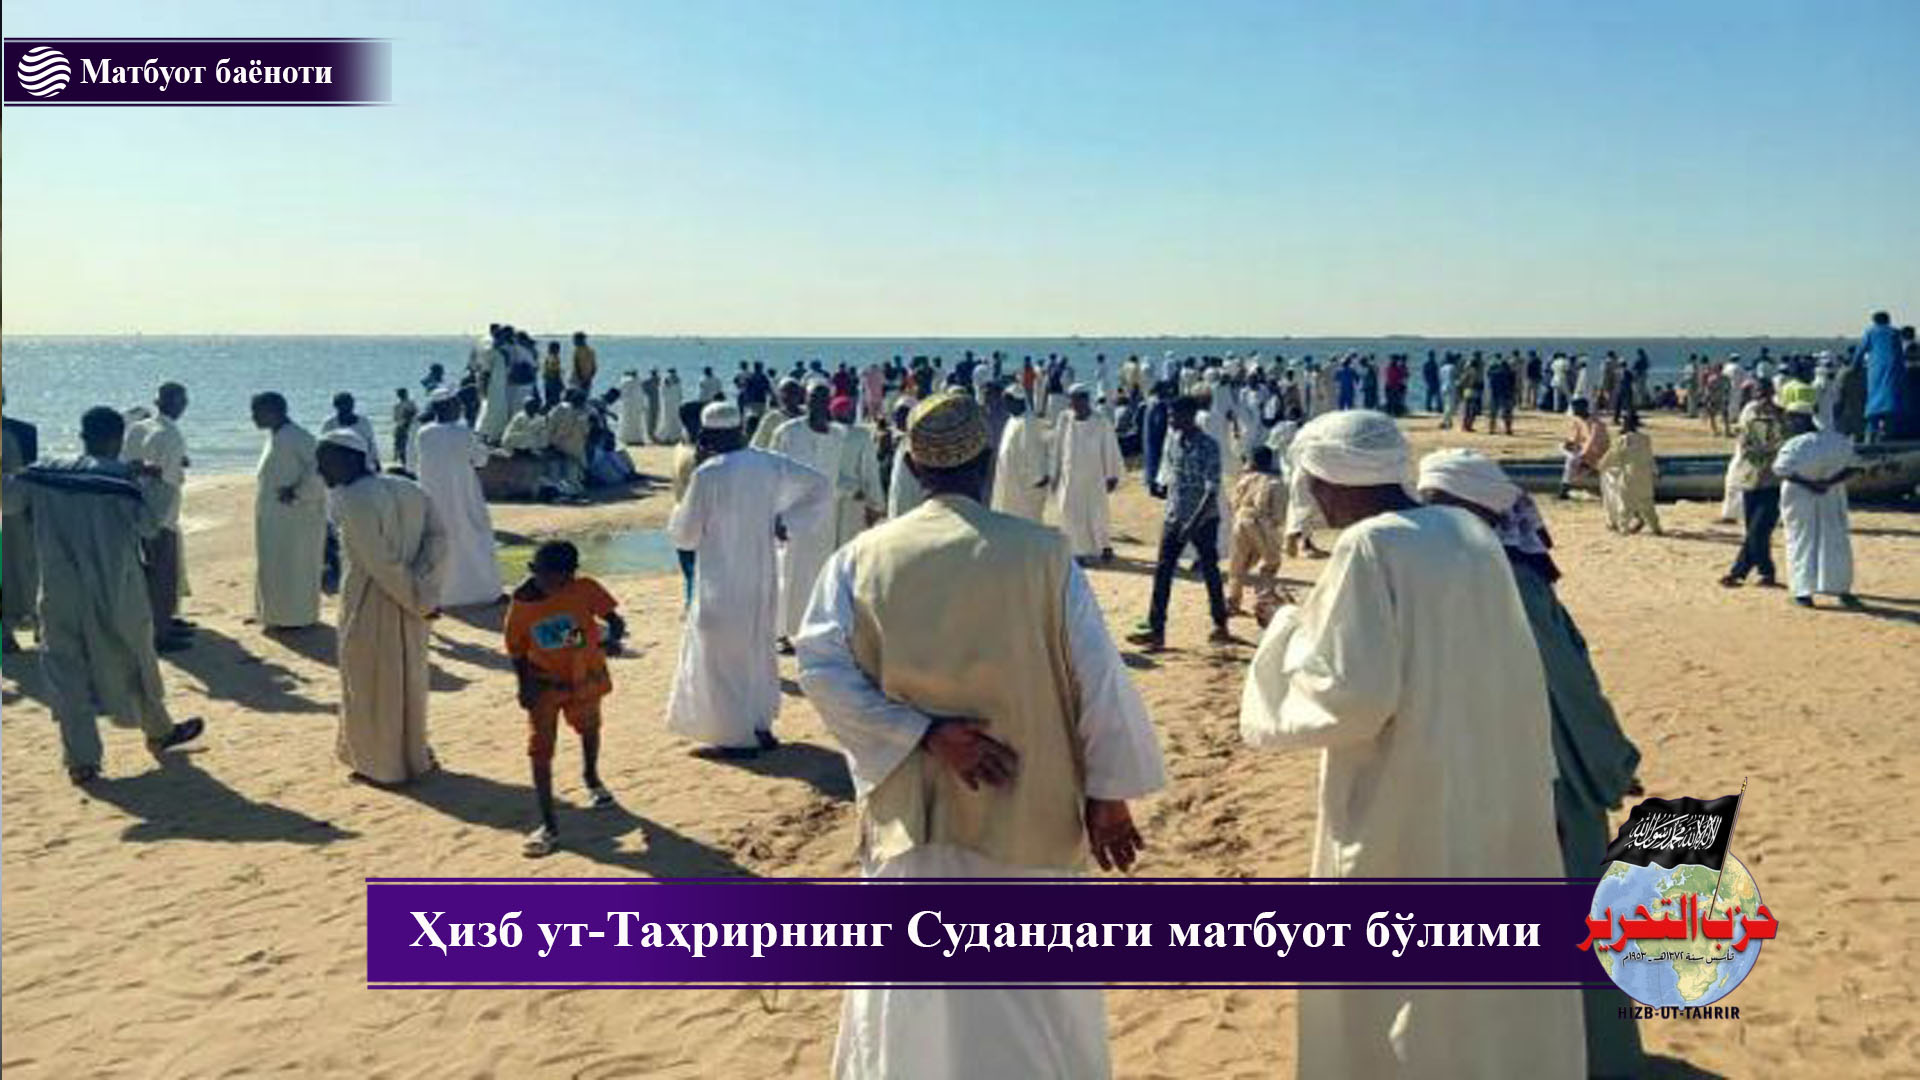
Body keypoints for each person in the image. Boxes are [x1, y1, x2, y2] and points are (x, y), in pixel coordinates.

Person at [795, 391, 1165, 1080]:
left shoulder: (860, 559)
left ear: (911, 466)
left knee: (920, 1013)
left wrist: (923, 735)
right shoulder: (1045, 555)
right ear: (989, 459)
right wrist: (1109, 795)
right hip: (1031, 821)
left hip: (916, 825)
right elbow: (1098, 684)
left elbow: (820, 672)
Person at [1238, 411, 1583, 1079]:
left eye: (1313, 484)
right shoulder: (1468, 533)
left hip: (1406, 801)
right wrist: (1540, 787)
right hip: (1491, 788)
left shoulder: (1369, 546)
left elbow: (1352, 694)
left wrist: (1279, 627)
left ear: (1330, 481)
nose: (1314, 499)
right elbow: (1515, 674)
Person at [1414, 450, 1646, 1078]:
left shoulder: (1507, 579)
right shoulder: (1465, 571)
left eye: (1437, 504)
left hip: (1546, 773)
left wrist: (1608, 760)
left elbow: (1566, 684)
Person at [5, 407, 206, 783]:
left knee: (65, 671)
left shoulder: (46, 472)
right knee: (136, 660)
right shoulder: (121, 481)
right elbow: (151, 524)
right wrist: (153, 479)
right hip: (116, 588)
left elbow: (9, 500)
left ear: (83, 435)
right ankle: (159, 731)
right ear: (117, 438)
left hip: (59, 588)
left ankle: (81, 760)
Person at [665, 401, 832, 754]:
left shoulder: (708, 474)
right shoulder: (768, 462)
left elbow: (685, 535)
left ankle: (734, 738)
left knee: (720, 658)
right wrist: (787, 521)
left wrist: (682, 503)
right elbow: (820, 485)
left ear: (708, 435)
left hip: (721, 582)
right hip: (761, 578)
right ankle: (759, 726)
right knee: (756, 654)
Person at [316, 430, 447, 785]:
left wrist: (418, 599)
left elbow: (380, 564)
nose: (319, 471)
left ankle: (381, 766)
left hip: (371, 602)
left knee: (372, 685)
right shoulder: (410, 488)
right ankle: (414, 756)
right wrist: (426, 590)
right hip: (414, 602)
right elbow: (438, 540)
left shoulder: (353, 499)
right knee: (409, 681)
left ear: (349, 459)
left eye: (325, 462)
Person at [506, 540, 626, 856]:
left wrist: (613, 639)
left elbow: (615, 620)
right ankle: (549, 826)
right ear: (533, 570)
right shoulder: (521, 604)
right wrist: (523, 686)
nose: (551, 585)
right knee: (540, 750)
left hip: (584, 677)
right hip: (544, 684)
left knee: (590, 728)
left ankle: (592, 778)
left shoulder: (584, 589)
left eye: (561, 579)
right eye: (544, 576)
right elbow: (517, 651)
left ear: (572, 575)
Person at [1128, 396, 1230, 650]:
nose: (1170, 420)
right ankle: (1156, 629)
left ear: (1190, 415)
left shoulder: (1209, 446)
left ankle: (1220, 623)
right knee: (1163, 570)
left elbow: (1211, 490)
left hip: (1203, 519)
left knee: (1210, 570)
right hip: (1174, 516)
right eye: (1170, 415)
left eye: (1175, 416)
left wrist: (1192, 524)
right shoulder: (1173, 440)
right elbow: (1170, 474)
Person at [769, 383, 846, 650]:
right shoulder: (787, 432)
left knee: (821, 574)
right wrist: (775, 514)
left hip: (825, 519)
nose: (818, 404)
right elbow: (773, 474)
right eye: (813, 398)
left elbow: (837, 478)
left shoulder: (838, 436)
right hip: (791, 516)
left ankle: (814, 631)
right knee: (787, 574)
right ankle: (780, 633)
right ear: (806, 399)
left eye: (823, 398)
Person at [413, 389, 505, 608]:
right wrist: (484, 445)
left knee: (439, 544)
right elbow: (481, 460)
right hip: (464, 496)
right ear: (448, 407)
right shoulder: (462, 432)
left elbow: (412, 464)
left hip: (434, 499)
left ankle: (444, 595)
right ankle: (482, 591)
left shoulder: (423, 433)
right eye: (456, 404)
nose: (460, 407)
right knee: (475, 537)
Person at [123, 382, 193, 651]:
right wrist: (160, 470)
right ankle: (159, 632)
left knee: (153, 571)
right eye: (180, 401)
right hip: (161, 512)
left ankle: (161, 622)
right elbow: (167, 475)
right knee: (162, 573)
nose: (182, 405)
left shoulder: (139, 428)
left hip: (140, 507)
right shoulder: (169, 433)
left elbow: (129, 464)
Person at [250, 392, 327, 631]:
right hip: (275, 517)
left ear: (274, 411)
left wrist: (298, 492)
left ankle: (297, 618)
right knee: (273, 564)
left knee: (295, 566)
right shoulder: (276, 437)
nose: (253, 418)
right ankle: (272, 613)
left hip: (297, 517)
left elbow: (321, 467)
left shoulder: (299, 437)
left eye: (257, 412)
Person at [1773, 404, 1861, 609]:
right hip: (1832, 496)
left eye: (1790, 419)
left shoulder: (1794, 444)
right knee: (1836, 542)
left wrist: (1811, 484)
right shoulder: (1837, 441)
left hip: (1800, 497)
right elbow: (1854, 467)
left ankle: (1802, 592)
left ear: (1800, 419)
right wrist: (1829, 483)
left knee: (1801, 542)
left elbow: (1782, 470)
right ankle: (1841, 589)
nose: (1787, 423)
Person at [1719, 382, 1787, 590]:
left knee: (1758, 530)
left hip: (1773, 480)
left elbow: (1781, 445)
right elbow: (1745, 443)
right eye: (1758, 393)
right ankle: (1757, 573)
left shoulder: (1782, 417)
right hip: (1750, 479)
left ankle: (1743, 573)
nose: (1762, 398)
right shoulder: (1749, 414)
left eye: (1765, 393)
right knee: (1754, 531)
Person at [1050, 385, 1122, 564]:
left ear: (1086, 399)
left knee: (1096, 514)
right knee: (1069, 513)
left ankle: (1099, 548)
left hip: (1094, 478)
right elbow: (1058, 447)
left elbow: (1110, 449)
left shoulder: (1101, 421)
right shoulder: (1064, 419)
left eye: (1078, 399)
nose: (1074, 404)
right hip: (1069, 478)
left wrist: (1111, 475)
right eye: (1072, 399)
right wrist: (1054, 473)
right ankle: (1075, 551)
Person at [1225, 444, 1287, 616]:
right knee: (1270, 563)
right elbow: (1279, 513)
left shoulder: (1244, 480)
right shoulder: (1275, 483)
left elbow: (1233, 503)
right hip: (1261, 523)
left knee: (1238, 564)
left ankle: (1232, 600)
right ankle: (1263, 599)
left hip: (1240, 520)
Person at [1, 394, 39, 655]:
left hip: (17, 509)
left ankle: (38, 623)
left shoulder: (25, 432)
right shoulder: (23, 431)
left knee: (25, 569)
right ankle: (6, 633)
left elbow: (31, 474)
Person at [830, 396, 884, 547]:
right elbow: (870, 471)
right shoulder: (861, 435)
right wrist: (876, 504)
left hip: (827, 499)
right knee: (850, 547)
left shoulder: (823, 433)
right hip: (854, 500)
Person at [989, 387, 1050, 521]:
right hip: (1010, 479)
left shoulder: (1028, 422)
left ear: (1018, 401)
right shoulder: (1012, 420)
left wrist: (1037, 477)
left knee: (1025, 518)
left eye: (1008, 401)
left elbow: (1034, 452)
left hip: (1024, 483)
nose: (1005, 405)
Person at [1597, 412, 1661, 535]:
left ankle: (1623, 528)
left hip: (1629, 475)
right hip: (1645, 475)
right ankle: (1655, 528)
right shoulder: (1645, 439)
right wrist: (1656, 471)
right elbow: (1649, 457)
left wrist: (1601, 465)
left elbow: (1612, 456)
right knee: (1647, 503)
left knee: (1625, 503)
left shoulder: (1623, 440)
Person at [669, 401, 705, 603]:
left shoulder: (681, 446)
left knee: (691, 572)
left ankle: (690, 606)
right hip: (694, 518)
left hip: (679, 516)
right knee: (697, 574)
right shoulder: (696, 457)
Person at [1860, 310, 1907, 442]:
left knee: (1873, 405)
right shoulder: (1895, 333)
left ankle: (1870, 437)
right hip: (1893, 371)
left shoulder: (1870, 332)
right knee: (1891, 405)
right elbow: (1900, 353)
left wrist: (1853, 366)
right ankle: (1888, 438)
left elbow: (1860, 351)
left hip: (1875, 372)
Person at [1557, 398, 1608, 499]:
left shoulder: (1596, 424)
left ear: (1584, 408)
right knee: (1565, 452)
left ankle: (1564, 489)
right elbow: (1574, 439)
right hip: (1582, 453)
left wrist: (1582, 456)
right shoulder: (1578, 422)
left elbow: (1594, 444)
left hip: (1596, 455)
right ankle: (1566, 487)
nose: (1574, 411)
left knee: (1571, 461)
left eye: (1576, 408)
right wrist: (1567, 444)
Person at [391, 388, 419, 469]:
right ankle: (405, 464)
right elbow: (416, 415)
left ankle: (403, 463)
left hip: (403, 427)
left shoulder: (398, 406)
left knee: (401, 446)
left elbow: (396, 419)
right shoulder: (410, 403)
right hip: (406, 428)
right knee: (404, 447)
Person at [542, 342, 567, 410]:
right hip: (553, 381)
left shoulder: (548, 357)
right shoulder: (555, 358)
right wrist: (561, 383)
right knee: (555, 400)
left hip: (548, 381)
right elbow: (555, 371)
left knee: (549, 399)